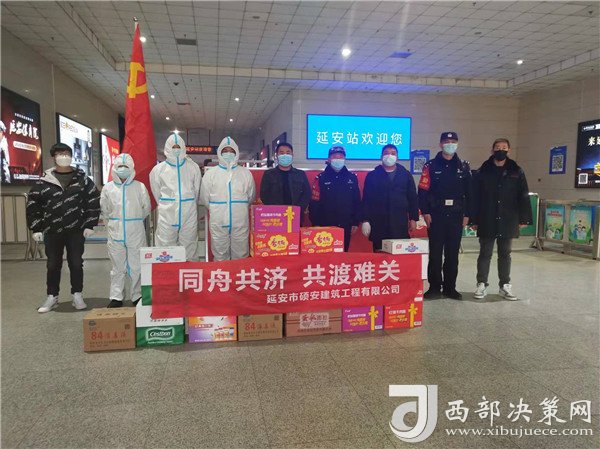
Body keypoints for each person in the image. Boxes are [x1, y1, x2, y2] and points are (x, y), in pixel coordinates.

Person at [26, 143, 100, 313]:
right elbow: (33, 205)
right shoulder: (44, 181)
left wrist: (90, 224)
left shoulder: (82, 179)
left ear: (71, 156)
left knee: (76, 263)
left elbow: (92, 202)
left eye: (66, 153)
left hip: (76, 230)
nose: (63, 156)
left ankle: (77, 295)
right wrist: (36, 228)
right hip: (52, 230)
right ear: (54, 157)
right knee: (53, 264)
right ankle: (52, 296)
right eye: (60, 153)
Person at [471, 138, 531, 301]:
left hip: (508, 218)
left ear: (509, 150)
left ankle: (504, 285)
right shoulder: (483, 170)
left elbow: (523, 195)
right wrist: (473, 219)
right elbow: (475, 196)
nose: (501, 150)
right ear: (492, 150)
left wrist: (524, 218)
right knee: (485, 253)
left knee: (505, 254)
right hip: (487, 217)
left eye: (504, 147)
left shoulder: (516, 170)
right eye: (497, 147)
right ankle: (481, 284)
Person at [418, 132, 472, 300]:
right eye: (447, 141)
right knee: (435, 253)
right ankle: (434, 287)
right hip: (436, 214)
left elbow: (470, 193)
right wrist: (425, 211)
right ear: (441, 144)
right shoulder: (430, 165)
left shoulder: (464, 166)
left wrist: (467, 214)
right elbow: (422, 191)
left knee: (452, 253)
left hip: (456, 215)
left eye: (453, 141)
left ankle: (450, 287)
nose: (450, 144)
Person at [100, 154, 151, 308]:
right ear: (114, 168)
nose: (123, 169)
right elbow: (105, 209)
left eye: (126, 166)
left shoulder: (139, 187)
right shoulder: (108, 188)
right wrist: (115, 222)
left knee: (137, 265)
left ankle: (137, 295)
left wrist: (133, 220)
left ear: (132, 168)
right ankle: (116, 297)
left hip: (135, 230)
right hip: (115, 231)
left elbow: (146, 208)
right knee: (117, 267)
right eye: (120, 166)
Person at [200, 136, 256, 260]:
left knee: (241, 254)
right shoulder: (210, 174)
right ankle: (222, 273)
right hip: (218, 220)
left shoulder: (245, 173)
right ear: (219, 152)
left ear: (236, 153)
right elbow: (204, 197)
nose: (228, 153)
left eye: (231, 151)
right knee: (220, 254)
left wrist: (238, 207)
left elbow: (251, 196)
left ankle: (239, 273)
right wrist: (217, 209)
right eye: (225, 151)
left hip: (240, 220)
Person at [150, 134, 202, 260]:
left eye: (179, 147)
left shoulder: (193, 167)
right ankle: (167, 272)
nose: (176, 149)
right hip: (167, 214)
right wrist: (168, 203)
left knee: (189, 245)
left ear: (183, 147)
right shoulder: (158, 170)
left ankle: (189, 271)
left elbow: (197, 190)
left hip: (188, 212)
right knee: (165, 246)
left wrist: (187, 202)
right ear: (168, 148)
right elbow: (156, 192)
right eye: (173, 147)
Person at [361, 144, 419, 252]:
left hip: (399, 222)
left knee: (398, 254)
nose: (389, 156)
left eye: (393, 153)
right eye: (386, 153)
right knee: (380, 255)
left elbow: (412, 198)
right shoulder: (372, 175)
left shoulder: (405, 175)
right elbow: (367, 199)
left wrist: (413, 218)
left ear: (397, 157)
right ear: (381, 156)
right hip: (378, 222)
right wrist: (365, 220)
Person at [309, 146, 361, 251]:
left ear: (344, 159)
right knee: (326, 255)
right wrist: (316, 223)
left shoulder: (352, 178)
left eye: (341, 157)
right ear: (329, 159)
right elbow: (314, 203)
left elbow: (357, 201)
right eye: (334, 157)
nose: (338, 159)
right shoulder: (321, 178)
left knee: (343, 254)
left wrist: (356, 222)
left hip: (346, 224)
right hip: (325, 225)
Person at [260, 142, 311, 218]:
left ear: (292, 155)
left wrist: (298, 209)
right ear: (276, 156)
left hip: (296, 215)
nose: (285, 155)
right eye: (281, 153)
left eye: (288, 153)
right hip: (276, 216)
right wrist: (277, 210)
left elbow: (306, 194)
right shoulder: (269, 174)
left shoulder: (300, 174)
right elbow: (264, 196)